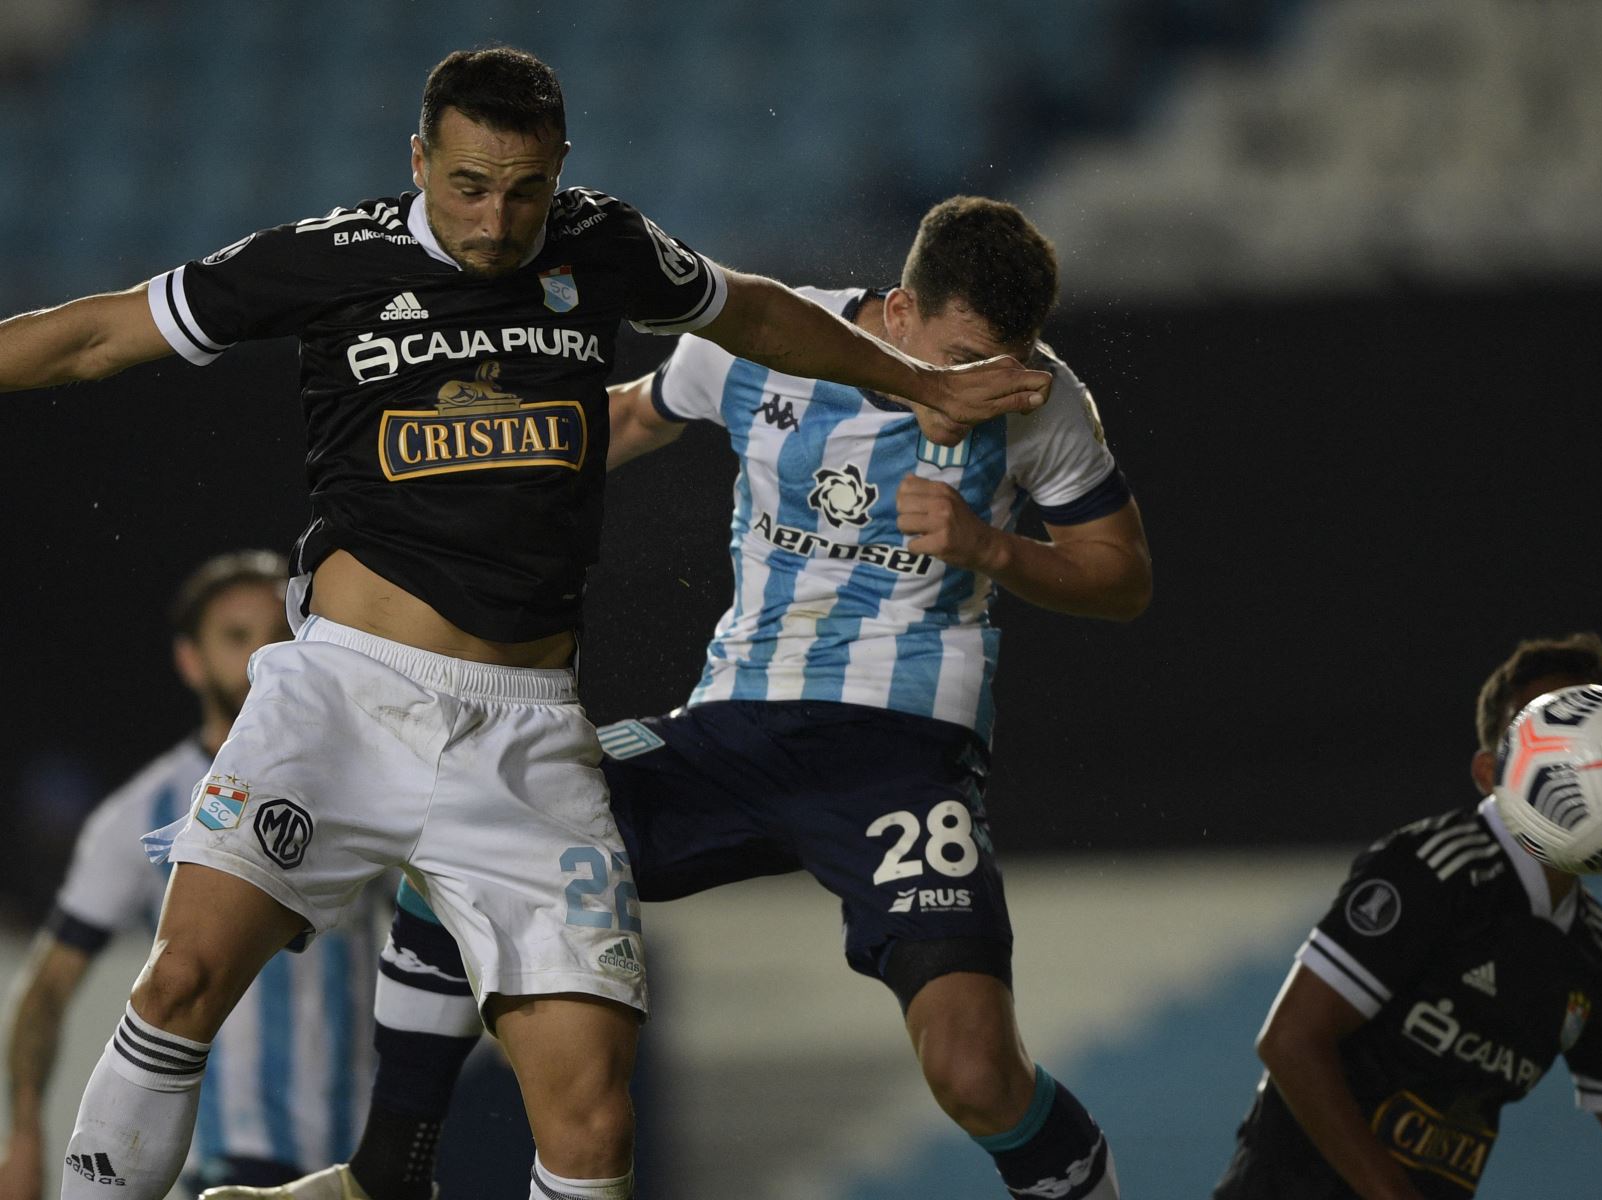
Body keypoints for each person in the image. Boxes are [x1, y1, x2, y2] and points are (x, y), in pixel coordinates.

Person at [0, 47, 1051, 1200]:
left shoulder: (600, 244)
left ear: (560, 171)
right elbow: (100, 333)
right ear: (419, 160)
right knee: (186, 977)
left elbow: (749, 310)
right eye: (466, 185)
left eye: (524, 189)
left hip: (527, 734)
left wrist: (919, 379)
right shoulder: (329, 260)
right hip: (345, 695)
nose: (496, 218)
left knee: (594, 1124)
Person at [203, 196, 1148, 1200]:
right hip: (733, 729)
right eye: (959, 363)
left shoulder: (1041, 399)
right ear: (904, 311)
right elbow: (621, 418)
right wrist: (437, 481)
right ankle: (387, 1177)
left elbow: (1121, 575)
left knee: (974, 1074)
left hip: (901, 758)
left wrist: (991, 547)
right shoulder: (768, 338)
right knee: (464, 820)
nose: (975, 392)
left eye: (998, 366)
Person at [1211, 633, 1602, 1199]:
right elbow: (1290, 1040)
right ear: (1489, 775)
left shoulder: (1601, 963)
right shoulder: (1433, 872)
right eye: (1543, 729)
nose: (1578, 760)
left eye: (1591, 726)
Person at [0, 551, 386, 1198]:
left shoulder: (363, 783)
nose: (261, 655)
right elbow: (48, 985)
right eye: (236, 637)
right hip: (221, 1159)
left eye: (278, 634)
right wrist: (26, 1133)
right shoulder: (142, 813)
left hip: (358, 1158)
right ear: (189, 660)